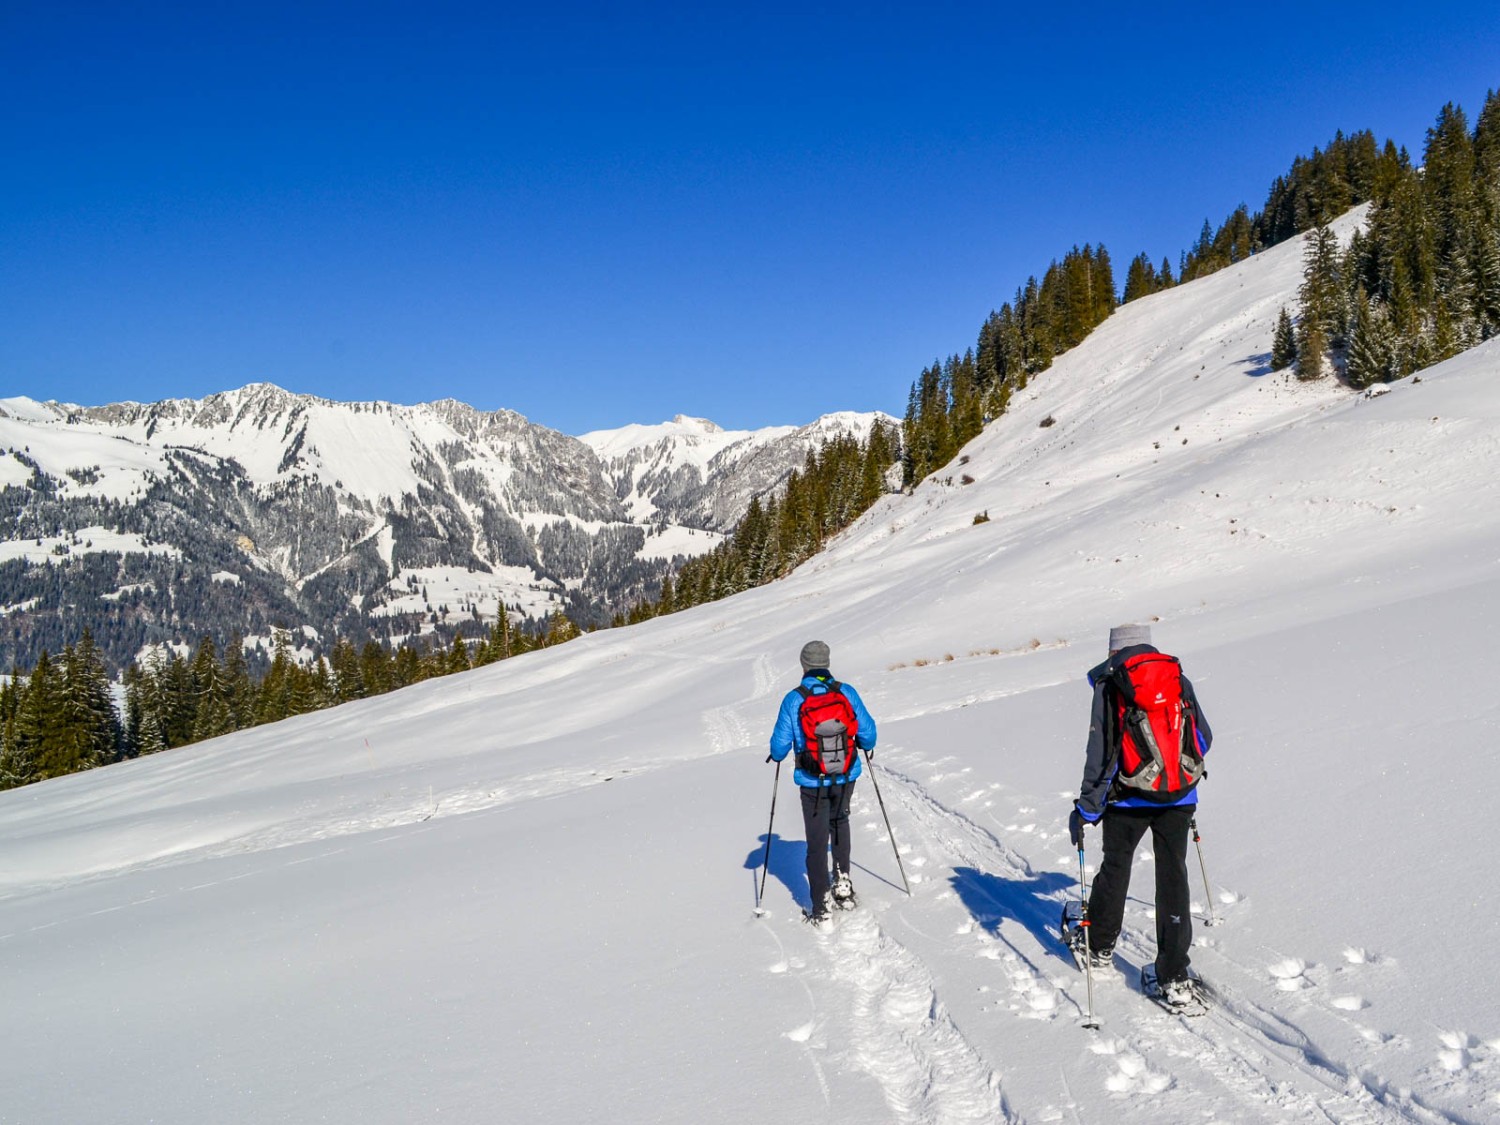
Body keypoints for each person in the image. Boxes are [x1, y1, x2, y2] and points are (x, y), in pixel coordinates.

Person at [1068, 623, 1213, 1006]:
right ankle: (1173, 972)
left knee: (1117, 867)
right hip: (1179, 795)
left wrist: (1087, 808)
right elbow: (1204, 737)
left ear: (1114, 651)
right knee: (1173, 875)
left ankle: (1098, 946)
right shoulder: (1176, 677)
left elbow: (1100, 751)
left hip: (1128, 798)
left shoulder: (1111, 682)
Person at [769, 640, 878, 926]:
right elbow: (868, 733)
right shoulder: (846, 692)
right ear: (827, 663)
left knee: (817, 841)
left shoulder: (794, 699)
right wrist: (861, 745)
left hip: (811, 780)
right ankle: (842, 885)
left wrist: (778, 754)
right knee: (840, 822)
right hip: (845, 775)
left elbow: (779, 747)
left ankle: (820, 905)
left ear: (804, 665)